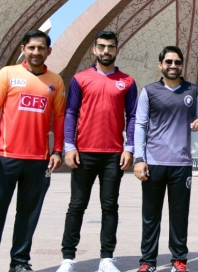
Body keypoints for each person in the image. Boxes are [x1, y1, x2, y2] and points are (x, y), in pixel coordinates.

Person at [0, 30, 66, 272]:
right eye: (32, 47)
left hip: (38, 161)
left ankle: (20, 263)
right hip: (5, 158)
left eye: (41, 48)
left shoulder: (55, 81)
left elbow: (60, 118)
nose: (37, 52)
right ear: (23, 49)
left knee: (28, 217)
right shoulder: (8, 74)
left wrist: (57, 151)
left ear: (49, 51)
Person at [56, 31, 137, 272]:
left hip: (113, 153)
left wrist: (129, 147)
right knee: (77, 205)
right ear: (94, 49)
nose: (105, 51)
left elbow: (133, 116)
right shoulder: (79, 79)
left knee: (110, 205)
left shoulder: (128, 81)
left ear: (117, 50)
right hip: (84, 152)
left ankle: (106, 258)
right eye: (101, 46)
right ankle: (68, 258)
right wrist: (69, 146)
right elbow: (70, 112)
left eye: (110, 47)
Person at [133, 46, 198, 272]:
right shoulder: (149, 91)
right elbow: (140, 125)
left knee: (179, 215)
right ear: (160, 65)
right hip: (154, 162)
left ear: (182, 65)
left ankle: (179, 260)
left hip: (182, 163)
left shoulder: (193, 91)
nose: (173, 66)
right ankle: (147, 261)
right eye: (168, 62)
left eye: (177, 62)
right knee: (150, 216)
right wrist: (140, 158)